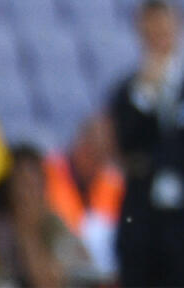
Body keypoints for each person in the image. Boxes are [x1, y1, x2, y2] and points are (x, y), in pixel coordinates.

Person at [109, 0, 184, 288]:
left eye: (164, 29)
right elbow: (125, 142)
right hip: (143, 220)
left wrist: (156, 160)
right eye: (151, 31)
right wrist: (146, 95)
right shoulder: (128, 91)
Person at [0, 143, 91, 288]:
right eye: (23, 184)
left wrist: (28, 234)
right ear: (8, 187)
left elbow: (50, 283)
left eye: (35, 186)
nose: (28, 195)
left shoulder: (53, 225)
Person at [42, 114, 124, 279]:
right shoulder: (46, 175)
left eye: (103, 153)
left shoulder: (114, 186)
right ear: (80, 141)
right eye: (91, 149)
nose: (95, 159)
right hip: (58, 268)